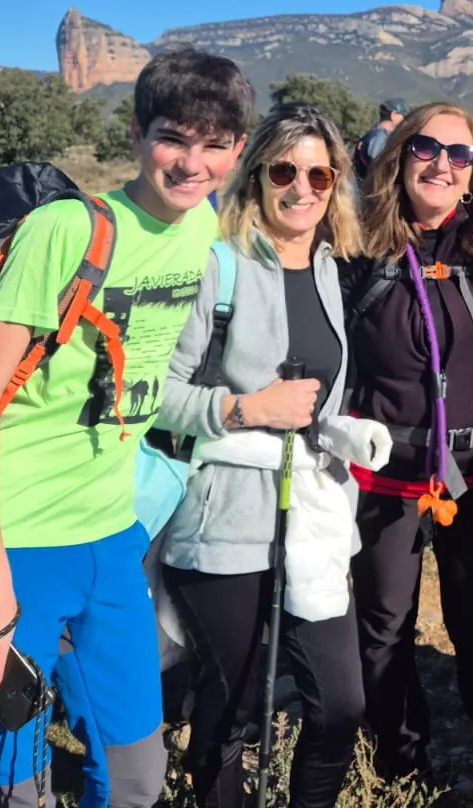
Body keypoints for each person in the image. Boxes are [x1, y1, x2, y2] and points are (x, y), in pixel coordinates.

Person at [0, 50, 252, 808]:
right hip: (17, 544)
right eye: (175, 138)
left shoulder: (200, 225)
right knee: (10, 790)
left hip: (113, 540)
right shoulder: (67, 230)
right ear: (138, 133)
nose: (192, 162)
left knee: (138, 777)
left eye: (215, 144)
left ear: (237, 150)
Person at [157, 102, 369, 808]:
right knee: (233, 708)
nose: (302, 187)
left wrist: (342, 432)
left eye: (319, 172)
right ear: (257, 176)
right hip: (224, 524)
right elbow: (156, 394)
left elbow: (321, 399)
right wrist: (246, 409)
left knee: (340, 702)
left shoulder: (334, 270)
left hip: (309, 516)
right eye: (285, 169)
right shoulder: (217, 267)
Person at [341, 103, 473, 787]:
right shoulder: (354, 251)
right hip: (385, 478)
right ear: (399, 156)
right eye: (427, 148)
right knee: (385, 626)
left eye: (460, 154)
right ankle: (399, 760)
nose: (442, 165)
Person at [355, 100, 408, 182]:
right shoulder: (380, 136)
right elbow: (377, 165)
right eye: (403, 116)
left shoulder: (377, 134)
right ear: (393, 115)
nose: (404, 121)